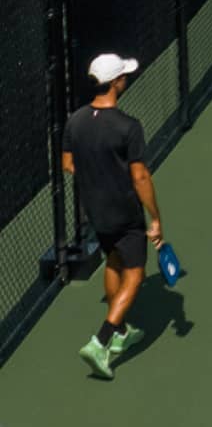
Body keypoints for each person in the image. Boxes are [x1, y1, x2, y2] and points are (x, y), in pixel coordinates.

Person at [62, 54, 164, 379]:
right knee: (135, 274)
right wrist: (155, 218)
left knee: (113, 260)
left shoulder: (75, 120)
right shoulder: (128, 127)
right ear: (117, 82)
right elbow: (140, 177)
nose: (126, 80)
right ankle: (101, 340)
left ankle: (119, 333)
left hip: (96, 211)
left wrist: (95, 176)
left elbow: (68, 163)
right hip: (124, 212)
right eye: (124, 76)